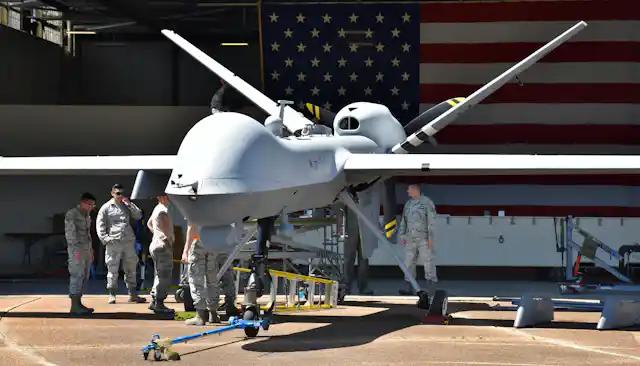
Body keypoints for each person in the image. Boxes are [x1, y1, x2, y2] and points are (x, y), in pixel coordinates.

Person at [96, 184, 146, 304]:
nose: (120, 196)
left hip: (128, 241)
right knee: (112, 268)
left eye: (122, 193)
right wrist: (105, 239)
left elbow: (138, 215)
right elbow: (100, 224)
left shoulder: (127, 205)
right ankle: (112, 294)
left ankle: (132, 294)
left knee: (131, 267)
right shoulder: (106, 207)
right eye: (118, 193)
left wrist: (130, 204)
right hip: (114, 241)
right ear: (112, 193)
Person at [397, 184, 438, 295]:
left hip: (423, 238)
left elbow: (431, 221)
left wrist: (430, 238)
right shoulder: (408, 204)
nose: (407, 191)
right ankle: (408, 286)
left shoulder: (427, 203)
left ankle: (431, 286)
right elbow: (403, 221)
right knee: (408, 263)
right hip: (410, 238)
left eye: (409, 189)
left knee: (428, 261)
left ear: (415, 190)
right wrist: (402, 235)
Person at [182, 222, 221, 325]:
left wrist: (185, 250)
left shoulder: (195, 205)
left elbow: (192, 226)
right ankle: (213, 313)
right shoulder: (216, 206)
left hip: (197, 242)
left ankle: (200, 315)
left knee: (196, 279)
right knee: (212, 279)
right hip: (213, 243)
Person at [65, 192, 97, 315]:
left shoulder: (86, 215)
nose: (91, 207)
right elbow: (70, 233)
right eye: (89, 204)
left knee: (84, 275)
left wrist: (91, 250)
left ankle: (79, 303)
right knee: (77, 275)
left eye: (93, 205)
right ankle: (74, 305)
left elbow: (88, 234)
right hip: (77, 249)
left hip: (86, 249)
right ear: (82, 202)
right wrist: (76, 249)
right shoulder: (72, 214)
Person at [146, 194, 175, 314]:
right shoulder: (163, 211)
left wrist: (156, 235)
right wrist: (167, 240)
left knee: (159, 274)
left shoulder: (157, 208)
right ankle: (159, 302)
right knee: (164, 275)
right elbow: (166, 231)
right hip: (162, 246)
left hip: (156, 243)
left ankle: (155, 300)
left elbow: (150, 224)